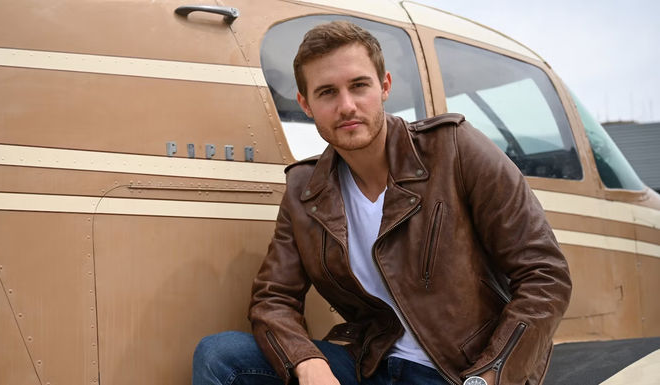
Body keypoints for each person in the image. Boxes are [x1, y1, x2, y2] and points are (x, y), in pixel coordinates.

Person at [193, 20, 571, 385]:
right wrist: (307, 361)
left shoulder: (454, 147)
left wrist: (488, 377)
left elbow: (545, 274)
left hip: (459, 372)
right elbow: (273, 298)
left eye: (359, 86)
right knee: (220, 355)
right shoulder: (305, 188)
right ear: (305, 104)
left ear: (385, 86)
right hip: (370, 367)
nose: (347, 106)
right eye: (327, 92)